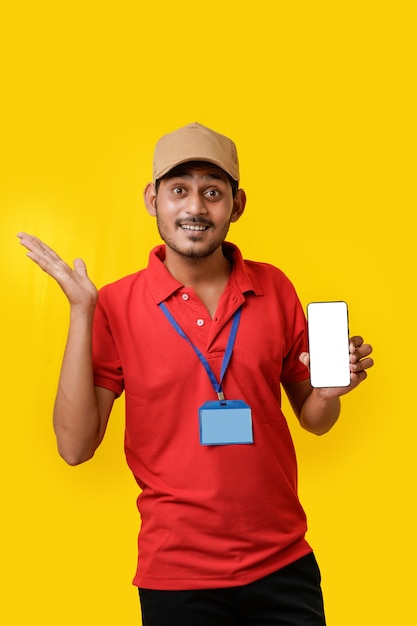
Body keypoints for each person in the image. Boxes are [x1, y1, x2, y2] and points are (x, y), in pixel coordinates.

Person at [18, 122, 373, 626]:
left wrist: (330, 392)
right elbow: (75, 448)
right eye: (179, 190)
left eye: (213, 192)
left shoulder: (274, 287)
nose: (195, 208)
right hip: (176, 575)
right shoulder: (115, 304)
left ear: (238, 204)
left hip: (283, 564)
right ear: (152, 199)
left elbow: (315, 420)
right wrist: (81, 311)